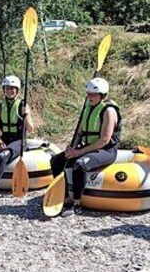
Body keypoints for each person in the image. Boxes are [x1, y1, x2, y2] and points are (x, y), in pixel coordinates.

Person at [49, 77, 121, 217]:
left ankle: (76, 204)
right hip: (89, 146)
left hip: (106, 151)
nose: (89, 97)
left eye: (93, 94)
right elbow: (80, 132)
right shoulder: (88, 108)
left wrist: (79, 153)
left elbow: (104, 140)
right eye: (88, 93)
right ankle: (63, 197)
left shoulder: (109, 111)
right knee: (56, 161)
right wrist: (72, 148)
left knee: (79, 165)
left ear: (102, 95)